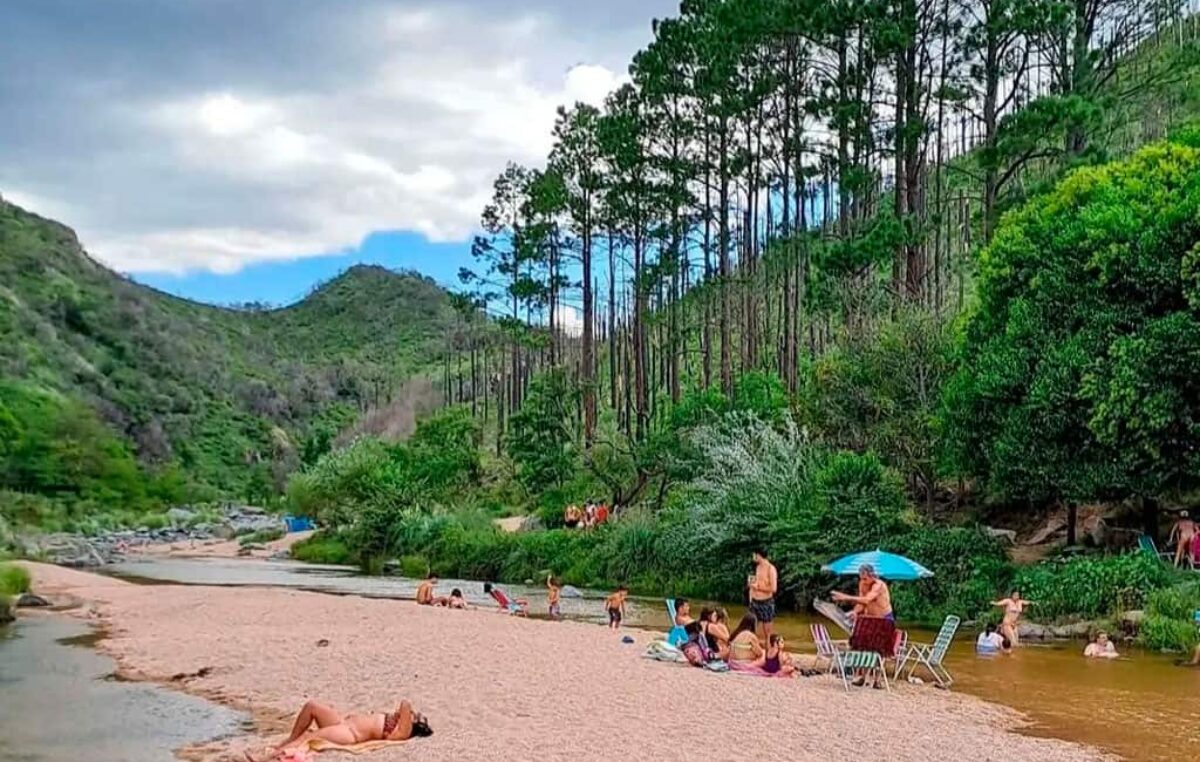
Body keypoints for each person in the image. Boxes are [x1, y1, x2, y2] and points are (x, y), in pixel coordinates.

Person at [243, 699, 431, 761]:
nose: (415, 714)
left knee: (311, 736)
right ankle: (287, 741)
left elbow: (405, 704)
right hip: (343, 723)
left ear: (416, 725)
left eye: (418, 717)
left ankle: (268, 757)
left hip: (349, 734)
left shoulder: (403, 732)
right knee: (312, 706)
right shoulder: (399, 724)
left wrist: (411, 715)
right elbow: (402, 709)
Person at [832, 565, 894, 688]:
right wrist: (855, 611)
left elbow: (867, 599)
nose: (863, 580)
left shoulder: (879, 585)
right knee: (862, 645)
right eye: (861, 577)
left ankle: (877, 679)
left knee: (879, 649)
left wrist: (845, 597)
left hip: (883, 619)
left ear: (871, 576)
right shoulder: (862, 584)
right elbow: (861, 604)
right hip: (869, 618)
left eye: (865, 578)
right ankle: (862, 676)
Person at [749, 550, 779, 644]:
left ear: (759, 555)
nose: (753, 557)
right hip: (755, 601)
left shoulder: (771, 569)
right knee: (751, 627)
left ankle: (768, 652)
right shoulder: (757, 567)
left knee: (767, 633)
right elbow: (755, 584)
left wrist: (758, 587)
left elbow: (773, 588)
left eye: (754, 555)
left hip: (766, 602)